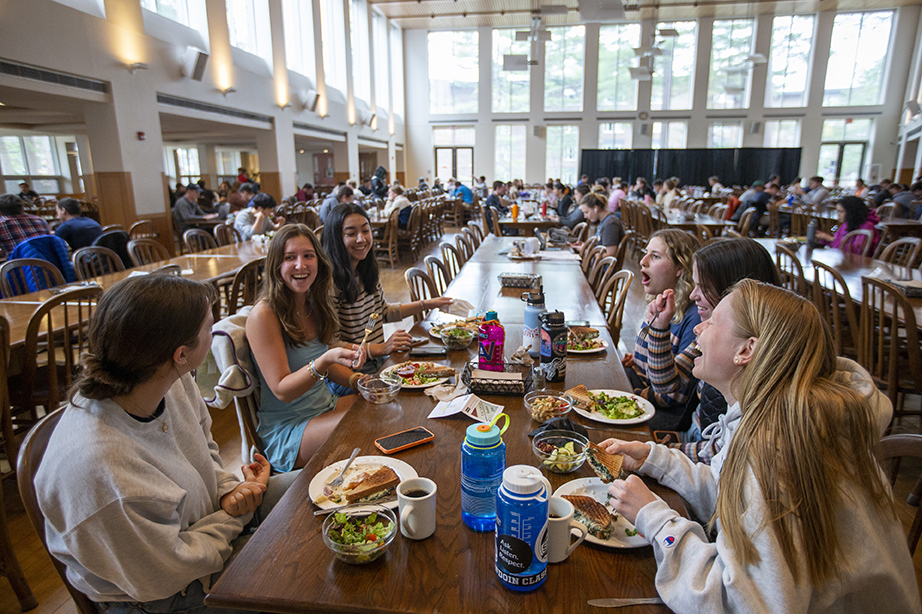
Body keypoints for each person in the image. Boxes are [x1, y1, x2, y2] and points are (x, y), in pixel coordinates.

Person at [602, 280, 918, 613]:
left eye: (712, 321)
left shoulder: (779, 450)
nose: (699, 328)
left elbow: (741, 603)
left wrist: (655, 519)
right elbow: (734, 496)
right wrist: (657, 460)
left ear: (746, 350)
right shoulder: (780, 414)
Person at [34, 274, 298, 614]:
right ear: (181, 354)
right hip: (164, 594)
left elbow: (204, 448)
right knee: (307, 575)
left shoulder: (169, 379)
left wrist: (230, 490)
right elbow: (167, 571)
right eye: (208, 326)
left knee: (320, 488)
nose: (215, 328)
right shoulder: (102, 468)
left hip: (207, 523)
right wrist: (235, 515)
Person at [643, 239, 780, 463]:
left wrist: (666, 451)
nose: (692, 295)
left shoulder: (756, 358)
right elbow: (666, 383)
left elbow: (723, 452)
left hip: (705, 456)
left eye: (703, 287)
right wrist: (658, 330)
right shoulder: (710, 334)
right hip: (694, 440)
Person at [247, 225, 365, 472]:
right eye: (290, 257)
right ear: (276, 265)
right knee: (364, 425)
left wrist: (359, 381)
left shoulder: (313, 303)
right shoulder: (264, 315)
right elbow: (282, 390)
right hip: (290, 429)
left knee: (382, 407)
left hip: (326, 407)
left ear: (319, 261)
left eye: (308, 256)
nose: (301, 265)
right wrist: (323, 361)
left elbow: (328, 364)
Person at [322, 203, 453, 385]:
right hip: (350, 374)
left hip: (378, 362)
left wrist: (428, 304)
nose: (361, 239)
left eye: (366, 231)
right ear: (336, 238)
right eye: (351, 234)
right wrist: (381, 348)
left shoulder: (365, 271)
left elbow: (381, 313)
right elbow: (331, 344)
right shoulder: (330, 284)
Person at [623, 229, 701, 431]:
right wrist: (640, 358)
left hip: (666, 415)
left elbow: (673, 395)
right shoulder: (662, 301)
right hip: (643, 388)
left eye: (655, 256)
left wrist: (629, 392)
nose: (643, 261)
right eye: (646, 253)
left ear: (680, 268)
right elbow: (659, 355)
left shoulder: (694, 318)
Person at [815, 196, 881, 254]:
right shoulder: (846, 224)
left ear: (851, 212)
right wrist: (825, 239)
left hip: (858, 263)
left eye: (841, 211)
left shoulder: (866, 227)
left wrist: (831, 239)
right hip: (843, 258)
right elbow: (836, 243)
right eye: (837, 211)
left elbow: (857, 252)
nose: (838, 214)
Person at [573, 189, 623, 256]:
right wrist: (585, 246)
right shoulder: (604, 221)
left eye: (586, 212)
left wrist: (585, 251)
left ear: (596, 208)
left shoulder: (610, 224)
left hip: (600, 266)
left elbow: (609, 254)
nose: (585, 216)